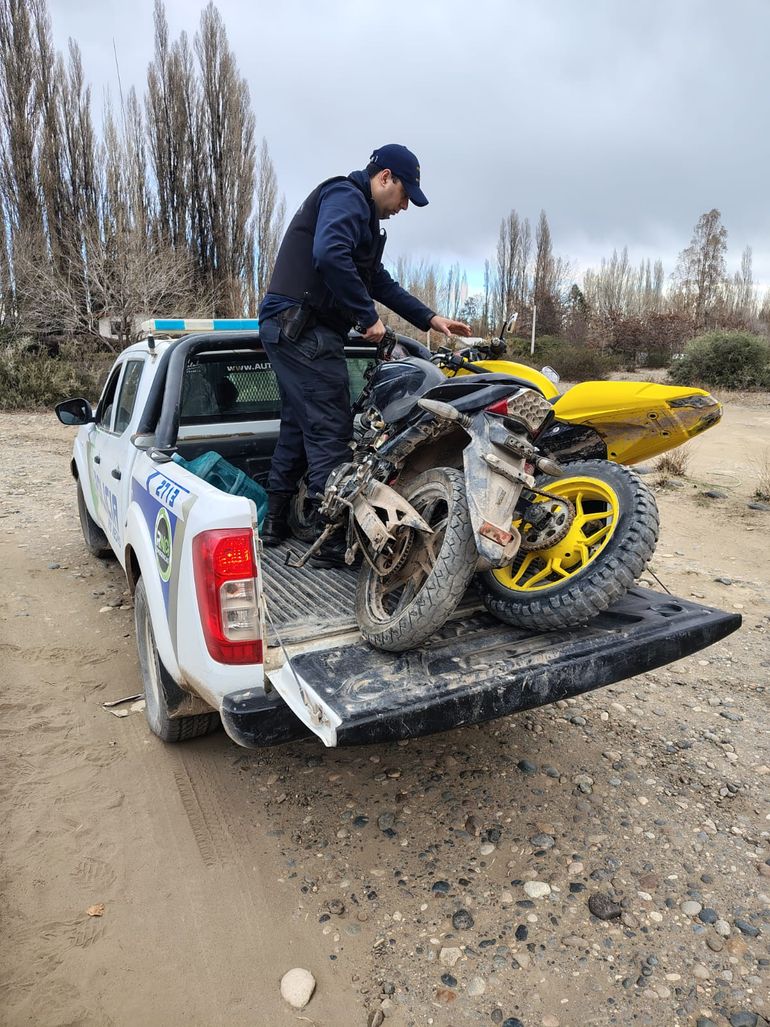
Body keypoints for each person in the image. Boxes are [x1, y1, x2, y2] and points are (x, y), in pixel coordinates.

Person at [258, 143, 472, 566]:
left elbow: (380, 282)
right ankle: (330, 537)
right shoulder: (346, 197)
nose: (405, 206)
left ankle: (274, 523)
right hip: (302, 326)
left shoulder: (363, 222)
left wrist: (431, 319)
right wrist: (366, 317)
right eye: (405, 195)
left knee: (299, 425)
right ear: (385, 177)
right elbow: (328, 255)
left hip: (291, 326)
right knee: (329, 427)